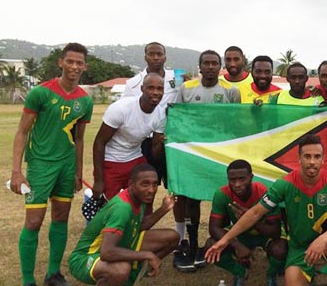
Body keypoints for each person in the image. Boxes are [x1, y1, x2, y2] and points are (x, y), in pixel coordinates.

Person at [206, 134, 327, 286]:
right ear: (299, 158)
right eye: (307, 156)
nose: (312, 162)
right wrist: (225, 239)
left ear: (323, 159)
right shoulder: (285, 184)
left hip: (323, 245)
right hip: (298, 248)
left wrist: (323, 239)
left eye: (317, 156)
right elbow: (255, 213)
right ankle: (308, 273)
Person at [10, 42, 93, 286]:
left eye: (79, 63)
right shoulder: (40, 93)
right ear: (61, 62)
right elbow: (22, 131)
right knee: (33, 222)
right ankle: (27, 282)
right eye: (70, 61)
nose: (75, 66)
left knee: (61, 218)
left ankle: (53, 273)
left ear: (85, 67)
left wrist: (79, 171)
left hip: (67, 167)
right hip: (41, 166)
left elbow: (79, 139)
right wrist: (16, 171)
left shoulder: (85, 100)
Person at [69, 164, 178, 286]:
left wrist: (163, 209)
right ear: (131, 185)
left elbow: (139, 226)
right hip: (85, 258)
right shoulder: (122, 207)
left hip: (116, 247)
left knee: (171, 238)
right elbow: (107, 252)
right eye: (145, 184)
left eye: (155, 184)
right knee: (121, 269)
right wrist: (148, 255)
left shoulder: (138, 198)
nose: (151, 189)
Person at [169, 50, 241, 272]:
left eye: (214, 63)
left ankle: (229, 243)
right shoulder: (186, 88)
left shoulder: (231, 91)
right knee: (191, 200)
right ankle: (192, 244)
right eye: (206, 63)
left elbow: (236, 122)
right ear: (200, 66)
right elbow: (177, 118)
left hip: (221, 153)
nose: (210, 67)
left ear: (220, 67)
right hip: (194, 154)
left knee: (226, 198)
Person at [205, 160, 287, 286]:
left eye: (242, 179)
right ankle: (240, 272)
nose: (237, 185)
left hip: (264, 235)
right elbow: (214, 228)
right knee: (211, 245)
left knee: (281, 249)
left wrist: (249, 218)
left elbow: (275, 231)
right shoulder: (222, 194)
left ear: (251, 177)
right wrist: (237, 245)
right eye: (232, 180)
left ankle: (271, 274)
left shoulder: (264, 193)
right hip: (240, 235)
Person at [92, 73, 166, 200]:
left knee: (145, 198)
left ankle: (142, 219)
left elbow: (155, 152)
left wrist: (162, 143)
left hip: (135, 157)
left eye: (159, 89)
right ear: (142, 89)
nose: (155, 92)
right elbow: (99, 142)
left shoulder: (161, 115)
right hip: (112, 159)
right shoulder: (121, 108)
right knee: (111, 206)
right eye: (151, 88)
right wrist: (99, 180)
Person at [122, 42, 178, 196]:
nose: (156, 57)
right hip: (146, 141)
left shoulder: (177, 77)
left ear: (165, 56)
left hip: (171, 139)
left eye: (159, 54)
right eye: (151, 54)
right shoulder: (133, 83)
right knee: (145, 187)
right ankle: (142, 219)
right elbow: (127, 110)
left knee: (176, 188)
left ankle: (180, 222)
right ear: (145, 57)